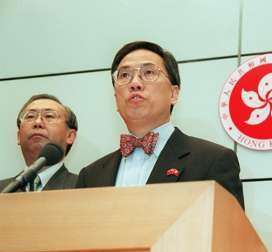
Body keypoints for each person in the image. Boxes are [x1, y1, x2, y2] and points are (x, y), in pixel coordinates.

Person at [76, 41, 244, 208]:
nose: (135, 83)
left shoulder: (212, 161)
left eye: (148, 72)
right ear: (115, 98)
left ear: (173, 93)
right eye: (124, 75)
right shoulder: (90, 176)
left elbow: (229, 232)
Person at [0, 94, 78, 192]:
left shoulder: (84, 186)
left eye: (49, 116)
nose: (37, 122)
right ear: (18, 136)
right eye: (30, 116)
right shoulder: (4, 190)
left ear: (70, 136)